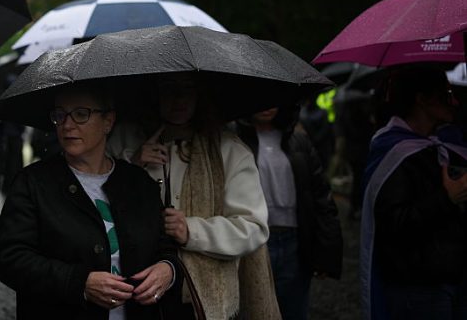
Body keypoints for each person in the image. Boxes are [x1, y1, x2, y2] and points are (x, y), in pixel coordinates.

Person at [0, 82, 184, 319]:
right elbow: (10, 259)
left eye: (81, 114)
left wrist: (168, 269)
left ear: (108, 121)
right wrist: (79, 283)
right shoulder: (33, 183)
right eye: (60, 115)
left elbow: (165, 247)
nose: (67, 124)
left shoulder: (138, 182)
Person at [107, 74, 279, 320]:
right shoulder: (124, 139)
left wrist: (192, 231)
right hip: (134, 288)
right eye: (169, 88)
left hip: (202, 299)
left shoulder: (228, 150)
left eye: (187, 89)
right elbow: (97, 200)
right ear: (154, 93)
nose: (179, 99)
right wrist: (132, 164)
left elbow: (253, 228)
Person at [360, 64, 467, 320]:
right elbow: (395, 224)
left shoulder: (445, 146)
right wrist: (447, 198)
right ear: (422, 99)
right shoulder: (395, 152)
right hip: (419, 287)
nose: (454, 102)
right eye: (446, 94)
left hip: (454, 278)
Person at [236, 105, 343, 320]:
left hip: (293, 244)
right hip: (253, 243)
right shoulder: (233, 141)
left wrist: (326, 251)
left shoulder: (299, 141)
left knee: (293, 310)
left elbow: (320, 196)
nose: (267, 106)